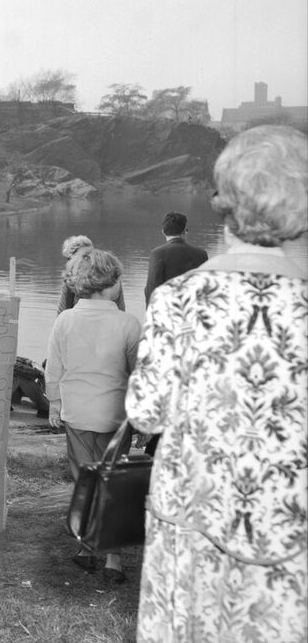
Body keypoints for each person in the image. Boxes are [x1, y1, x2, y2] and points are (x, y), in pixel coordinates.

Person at [126, 125, 307, 643]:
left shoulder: (177, 299)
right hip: (290, 529)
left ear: (221, 200)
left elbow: (146, 414)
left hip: (192, 517)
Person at [45, 247, 141, 583]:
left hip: (78, 414)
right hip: (115, 417)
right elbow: (137, 374)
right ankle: (113, 558)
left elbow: (53, 369)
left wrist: (54, 404)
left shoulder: (65, 320)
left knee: (84, 481)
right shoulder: (129, 323)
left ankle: (87, 549)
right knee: (113, 483)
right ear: (111, 284)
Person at [142, 211, 208, 303]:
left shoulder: (157, 254)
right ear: (185, 231)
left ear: (163, 232)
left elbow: (152, 288)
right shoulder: (202, 254)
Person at [56, 235, 125, 314]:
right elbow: (62, 311)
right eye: (85, 256)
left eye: (90, 254)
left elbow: (121, 309)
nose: (89, 259)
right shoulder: (70, 279)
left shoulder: (113, 277)